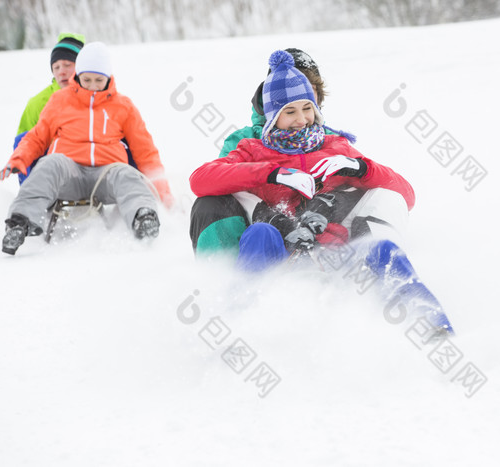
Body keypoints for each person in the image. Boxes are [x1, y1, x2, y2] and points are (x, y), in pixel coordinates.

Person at [190, 50, 453, 335]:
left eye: (307, 108)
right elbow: (201, 180)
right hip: (283, 248)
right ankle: (240, 326)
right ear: (271, 115)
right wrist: (271, 172)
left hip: (333, 248)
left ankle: (430, 326)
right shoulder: (250, 149)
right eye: (289, 112)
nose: (301, 119)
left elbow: (406, 195)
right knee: (259, 235)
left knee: (382, 249)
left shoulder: (335, 145)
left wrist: (360, 168)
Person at [0, 42, 174, 255]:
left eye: (99, 80)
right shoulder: (60, 101)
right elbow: (36, 137)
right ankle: (19, 223)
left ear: (108, 78)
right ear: (78, 76)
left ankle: (143, 217)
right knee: (49, 164)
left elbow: (146, 152)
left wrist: (163, 192)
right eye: (86, 79)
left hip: (106, 174)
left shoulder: (123, 106)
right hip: (68, 171)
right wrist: (19, 159)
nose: (92, 86)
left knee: (125, 172)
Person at [189, 48, 334, 257]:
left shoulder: (330, 140)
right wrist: (271, 177)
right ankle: (221, 274)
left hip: (316, 233)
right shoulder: (245, 141)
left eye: (308, 95)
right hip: (257, 235)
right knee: (209, 203)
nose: (300, 115)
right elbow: (213, 182)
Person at [15, 32, 86, 183]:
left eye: (68, 65)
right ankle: (32, 194)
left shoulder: (97, 96)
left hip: (88, 161)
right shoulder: (38, 102)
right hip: (51, 166)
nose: (62, 71)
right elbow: (23, 144)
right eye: (56, 67)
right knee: (23, 140)